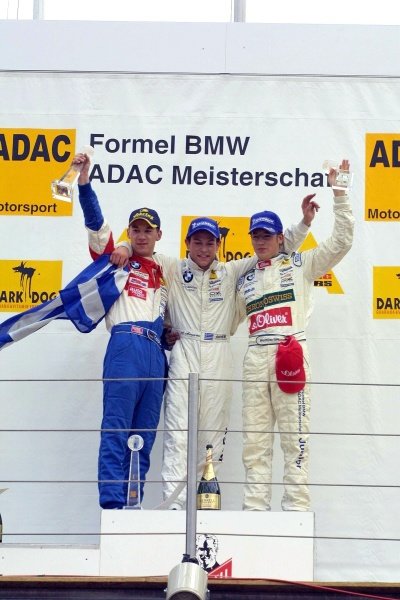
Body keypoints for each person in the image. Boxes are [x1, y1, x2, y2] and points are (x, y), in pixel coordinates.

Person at [113, 195, 318, 510]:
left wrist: (304, 224)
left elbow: (279, 246)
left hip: (219, 350)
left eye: (210, 243)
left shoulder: (233, 270)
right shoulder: (172, 266)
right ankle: (174, 507)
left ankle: (205, 505)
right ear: (187, 243)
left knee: (212, 436)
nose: (204, 249)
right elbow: (143, 249)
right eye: (198, 242)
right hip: (185, 350)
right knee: (178, 431)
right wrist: (126, 246)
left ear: (219, 245)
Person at [235, 160, 354, 512]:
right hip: (255, 357)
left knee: (294, 439)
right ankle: (254, 513)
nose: (260, 241)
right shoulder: (244, 277)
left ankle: (295, 514)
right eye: (255, 235)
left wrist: (341, 192)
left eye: (266, 236)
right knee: (254, 443)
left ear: (279, 238)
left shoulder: (302, 265)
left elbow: (342, 241)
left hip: (289, 353)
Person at [73, 152, 172, 509]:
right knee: (116, 428)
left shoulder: (166, 270)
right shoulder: (115, 258)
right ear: (129, 232)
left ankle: (133, 505)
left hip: (155, 354)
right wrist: (84, 183)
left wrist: (169, 334)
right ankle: (112, 505)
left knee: (144, 435)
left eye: (148, 230)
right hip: (125, 346)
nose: (142, 235)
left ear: (159, 234)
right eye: (136, 230)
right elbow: (96, 223)